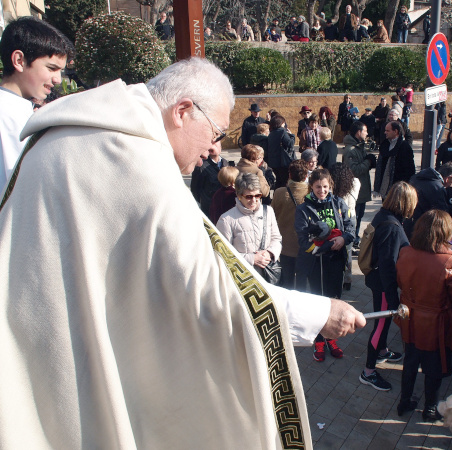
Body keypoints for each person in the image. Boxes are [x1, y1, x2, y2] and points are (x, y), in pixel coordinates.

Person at [0, 57, 366, 448]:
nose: (214, 148)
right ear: (183, 111)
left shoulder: (74, 133)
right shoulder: (139, 166)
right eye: (215, 133)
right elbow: (210, 288)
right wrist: (320, 313)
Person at [395, 210, 452, 420]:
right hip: (435, 323)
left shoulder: (406, 252)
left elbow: (400, 282)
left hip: (409, 316)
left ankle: (404, 401)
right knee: (434, 367)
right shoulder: (450, 261)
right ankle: (429, 408)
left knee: (410, 361)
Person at [0, 17, 73, 191]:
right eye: (51, 68)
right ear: (19, 60)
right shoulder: (10, 116)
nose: (57, 79)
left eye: (60, 71)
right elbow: (20, 187)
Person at [361, 182, 417, 391]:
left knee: (382, 323)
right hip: (384, 284)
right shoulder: (393, 228)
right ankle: (368, 371)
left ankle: (382, 350)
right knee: (381, 324)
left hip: (378, 280)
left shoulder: (383, 215)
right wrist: (393, 297)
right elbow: (388, 265)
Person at [295, 169, 355, 361]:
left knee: (334, 300)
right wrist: (328, 243)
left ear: (331, 186)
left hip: (335, 261)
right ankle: (319, 340)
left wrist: (344, 239)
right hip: (316, 263)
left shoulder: (339, 203)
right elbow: (304, 241)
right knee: (318, 303)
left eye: (325, 187)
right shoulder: (303, 209)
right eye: (318, 187)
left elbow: (351, 226)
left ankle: (331, 338)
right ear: (311, 186)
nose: (322, 190)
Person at [217, 171, 281, 277]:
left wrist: (269, 253)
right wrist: (252, 259)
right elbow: (223, 254)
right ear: (238, 195)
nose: (254, 200)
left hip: (267, 274)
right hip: (242, 277)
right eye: (249, 197)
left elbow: (276, 238)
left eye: (257, 195)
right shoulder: (226, 219)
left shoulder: (268, 211)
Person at [271, 160, 310, 289]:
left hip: (285, 245)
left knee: (287, 281)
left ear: (289, 174)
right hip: (304, 245)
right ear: (306, 176)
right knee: (302, 282)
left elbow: (273, 216)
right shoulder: (310, 193)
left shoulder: (279, 192)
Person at [404, 163, 452, 238]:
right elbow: (442, 212)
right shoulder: (437, 188)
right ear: (448, 178)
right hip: (421, 228)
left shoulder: (417, 177)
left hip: (407, 221)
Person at [342, 121, 376, 246]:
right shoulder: (350, 150)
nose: (367, 134)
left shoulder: (359, 146)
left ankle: (355, 238)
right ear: (358, 132)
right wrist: (368, 162)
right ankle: (352, 239)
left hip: (362, 189)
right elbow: (354, 170)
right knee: (354, 217)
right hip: (355, 191)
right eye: (365, 131)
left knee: (359, 216)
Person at [330, 163, 360, 291]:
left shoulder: (334, 187)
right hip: (352, 216)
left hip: (338, 217)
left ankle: (336, 276)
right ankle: (347, 279)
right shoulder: (356, 182)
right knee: (348, 249)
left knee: (336, 246)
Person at [374, 121, 416, 199]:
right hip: (385, 188)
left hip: (398, 190)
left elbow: (409, 170)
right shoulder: (385, 145)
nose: (385, 132)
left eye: (388, 131)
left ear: (395, 131)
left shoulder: (404, 147)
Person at [190, 136, 230, 216]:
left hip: (225, 207)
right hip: (210, 208)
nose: (215, 146)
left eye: (216, 143)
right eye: (212, 144)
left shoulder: (225, 163)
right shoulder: (201, 166)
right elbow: (195, 189)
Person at [267, 114, 296, 189]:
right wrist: (292, 135)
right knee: (284, 182)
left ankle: (276, 197)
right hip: (282, 162)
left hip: (273, 162)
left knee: (278, 181)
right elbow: (290, 144)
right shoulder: (282, 131)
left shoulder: (271, 133)